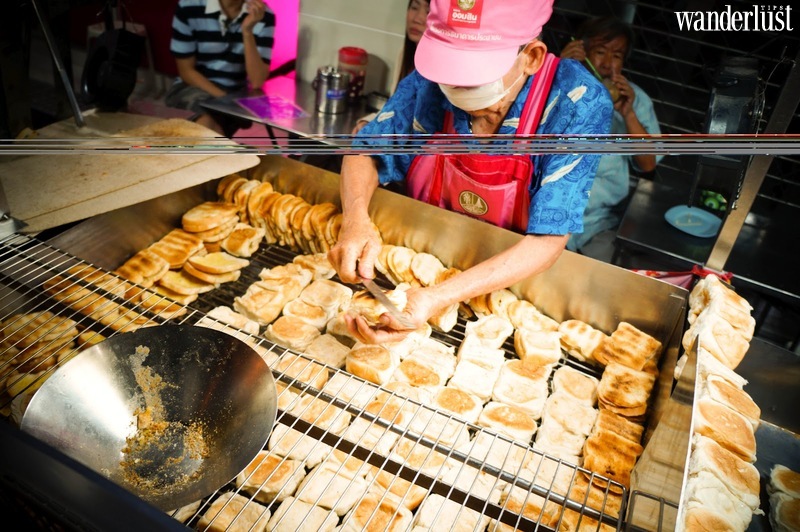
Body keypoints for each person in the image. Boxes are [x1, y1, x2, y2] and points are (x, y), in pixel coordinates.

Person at [328, 0, 612, 345]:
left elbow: (548, 241)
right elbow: (367, 149)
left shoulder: (576, 102)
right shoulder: (432, 82)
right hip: (421, 265)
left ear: (531, 57)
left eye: (473, 73)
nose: (454, 84)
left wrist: (438, 297)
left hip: (507, 290)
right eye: (449, 67)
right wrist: (356, 219)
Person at [560, 16, 662, 260]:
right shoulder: (558, 83)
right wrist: (561, 72)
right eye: (600, 52)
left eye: (616, 56)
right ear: (581, 51)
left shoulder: (635, 99)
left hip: (598, 222)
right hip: (548, 208)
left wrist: (628, 114)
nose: (607, 64)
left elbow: (648, 165)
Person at [166, 0, 275, 136]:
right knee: (206, 126)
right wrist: (225, 101)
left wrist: (247, 32)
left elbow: (257, 81)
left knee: (210, 135)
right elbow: (186, 71)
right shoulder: (189, 6)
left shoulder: (263, 14)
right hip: (191, 88)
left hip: (234, 94)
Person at [353, 0, 430, 134]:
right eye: (414, 7)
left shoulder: (437, 70)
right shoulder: (404, 53)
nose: (417, 19)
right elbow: (394, 110)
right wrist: (369, 122)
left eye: (428, 12)